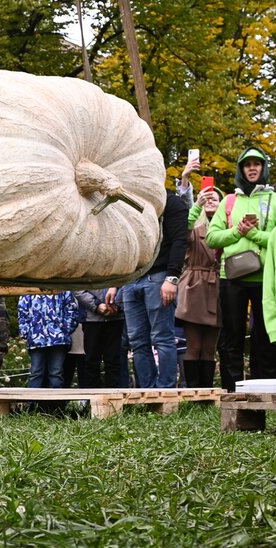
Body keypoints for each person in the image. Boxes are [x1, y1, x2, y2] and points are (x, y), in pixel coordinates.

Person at [205, 146, 276, 385]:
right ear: (241, 170)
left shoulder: (273, 199)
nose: (252, 168)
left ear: (264, 168)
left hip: (265, 278)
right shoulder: (229, 201)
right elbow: (212, 238)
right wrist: (237, 231)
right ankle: (232, 393)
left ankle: (265, 391)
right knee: (231, 336)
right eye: (247, 165)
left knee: (265, 337)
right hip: (232, 276)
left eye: (257, 164)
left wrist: (254, 234)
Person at [109, 185, 188, 388]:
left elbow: (180, 241)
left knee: (162, 337)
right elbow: (124, 243)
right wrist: (115, 283)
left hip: (159, 277)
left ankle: (166, 391)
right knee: (137, 341)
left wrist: (172, 278)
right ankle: (147, 391)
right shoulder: (132, 203)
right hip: (131, 278)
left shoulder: (172, 202)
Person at [175, 167, 222, 388]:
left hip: (218, 288)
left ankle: (208, 391)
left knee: (210, 347)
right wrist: (198, 204)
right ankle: (194, 391)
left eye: (215, 198)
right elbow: (180, 229)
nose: (211, 201)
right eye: (208, 197)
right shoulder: (194, 226)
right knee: (193, 345)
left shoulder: (228, 229)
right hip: (194, 286)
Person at [18, 292, 79, 389]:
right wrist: (27, 332)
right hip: (36, 338)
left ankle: (55, 403)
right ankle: (32, 403)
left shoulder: (62, 290)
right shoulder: (29, 290)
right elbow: (22, 312)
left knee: (56, 373)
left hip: (58, 339)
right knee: (36, 372)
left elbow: (72, 310)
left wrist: (65, 329)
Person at [74, 289, 124, 388]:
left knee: (114, 360)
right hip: (91, 318)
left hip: (116, 316)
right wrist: (96, 305)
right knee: (91, 360)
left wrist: (116, 305)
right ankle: (92, 398)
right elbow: (78, 289)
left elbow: (126, 283)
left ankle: (113, 398)